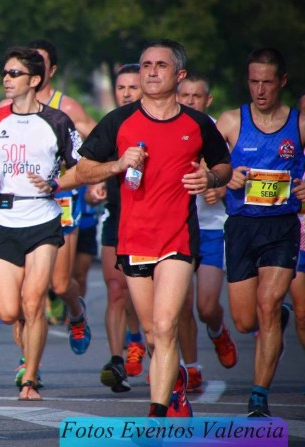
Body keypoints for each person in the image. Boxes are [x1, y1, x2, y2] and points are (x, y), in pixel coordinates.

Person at [76, 39, 232, 418]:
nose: (151, 71)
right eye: (146, 64)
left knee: (165, 327)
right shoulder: (119, 121)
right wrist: (116, 165)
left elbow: (223, 165)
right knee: (150, 334)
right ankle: (174, 381)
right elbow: (83, 170)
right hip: (134, 239)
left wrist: (210, 177)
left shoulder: (196, 124)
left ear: (178, 75)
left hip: (178, 237)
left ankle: (157, 415)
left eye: (160, 65)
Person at [0, 46, 82, 401]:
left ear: (34, 80)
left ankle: (30, 378)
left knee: (34, 301)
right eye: (5, 73)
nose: (6, 79)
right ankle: (28, 352)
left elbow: (80, 167)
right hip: (3, 218)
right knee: (8, 311)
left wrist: (56, 184)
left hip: (43, 218)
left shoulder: (57, 121)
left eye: (14, 74)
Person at [215, 48, 304, 417]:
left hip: (282, 227)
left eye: (267, 82)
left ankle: (258, 396)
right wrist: (224, 176)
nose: (260, 90)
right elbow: (205, 165)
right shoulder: (232, 121)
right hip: (241, 228)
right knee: (245, 320)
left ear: (282, 81)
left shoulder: (298, 124)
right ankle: (274, 321)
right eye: (254, 82)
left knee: (268, 305)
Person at [175, 74, 238, 393]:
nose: (189, 101)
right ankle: (192, 367)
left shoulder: (217, 132)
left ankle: (217, 330)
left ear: (207, 100)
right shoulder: (169, 127)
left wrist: (220, 187)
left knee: (206, 305)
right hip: (180, 228)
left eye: (196, 96)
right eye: (183, 95)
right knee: (182, 304)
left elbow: (235, 174)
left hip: (212, 228)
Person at [98, 63, 146, 394]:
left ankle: (139, 339)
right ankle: (117, 360)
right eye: (121, 87)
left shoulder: (155, 124)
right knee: (117, 290)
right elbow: (86, 162)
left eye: (133, 86)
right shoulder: (111, 124)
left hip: (148, 220)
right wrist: (95, 183)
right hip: (115, 216)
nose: (127, 93)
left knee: (141, 295)